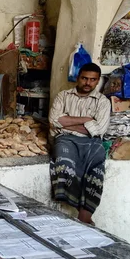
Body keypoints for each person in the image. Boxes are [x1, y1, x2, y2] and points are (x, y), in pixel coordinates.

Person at [48, 63, 110, 225]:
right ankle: (72, 201)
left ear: (97, 81)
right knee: (63, 156)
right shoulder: (63, 96)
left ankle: (85, 213)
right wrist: (87, 121)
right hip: (65, 138)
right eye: (84, 78)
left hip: (91, 141)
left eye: (92, 80)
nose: (88, 83)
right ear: (78, 78)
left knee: (97, 159)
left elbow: (99, 129)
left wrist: (67, 122)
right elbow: (54, 120)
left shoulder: (102, 101)